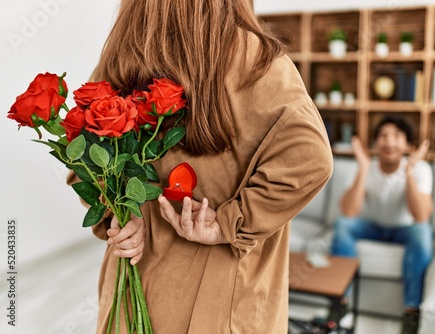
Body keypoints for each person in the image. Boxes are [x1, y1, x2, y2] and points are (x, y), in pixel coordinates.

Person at [67, 0, 333, 333]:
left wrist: (120, 218)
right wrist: (229, 223)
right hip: (219, 303)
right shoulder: (254, 59)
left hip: (132, 291)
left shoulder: (124, 55)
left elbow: (82, 160)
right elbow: (311, 159)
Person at [330, 116, 433, 334]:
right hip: (371, 226)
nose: (389, 142)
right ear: (376, 142)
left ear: (407, 145)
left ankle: (411, 313)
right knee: (343, 225)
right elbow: (349, 211)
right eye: (383, 135)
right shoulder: (365, 167)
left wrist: (409, 172)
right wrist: (364, 167)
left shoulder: (420, 169)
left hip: (404, 230)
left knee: (422, 232)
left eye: (397, 136)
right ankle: (341, 303)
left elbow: (421, 215)